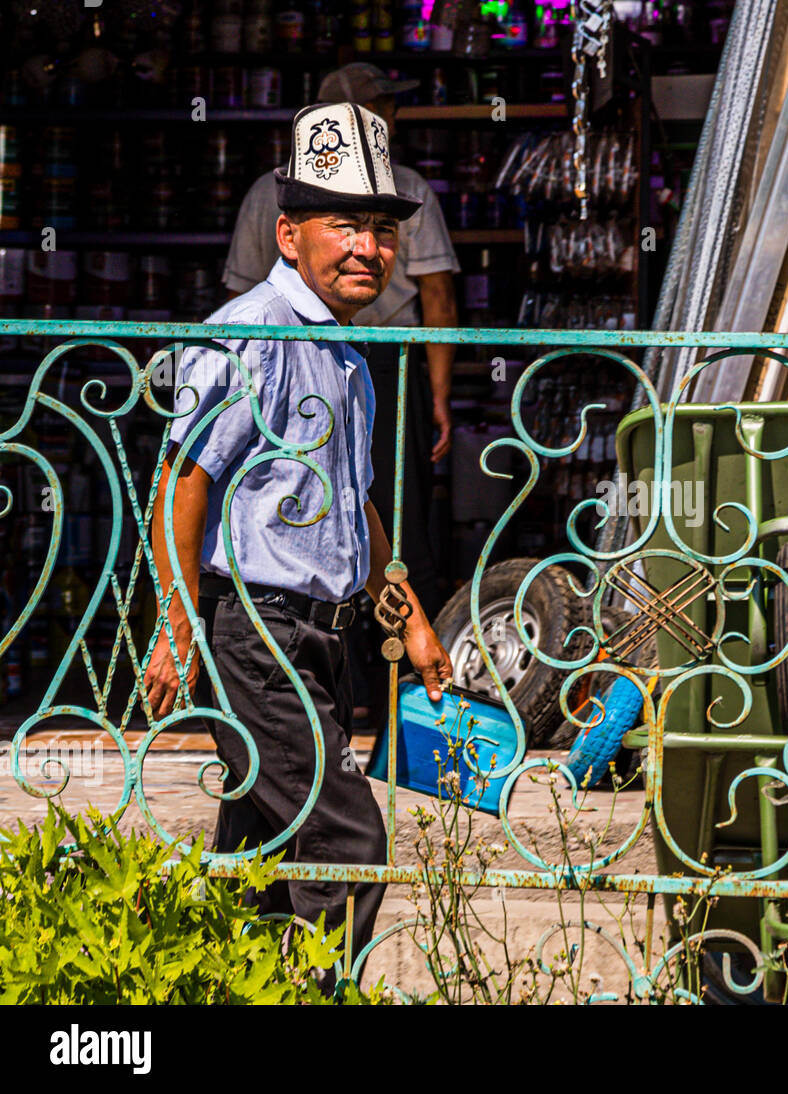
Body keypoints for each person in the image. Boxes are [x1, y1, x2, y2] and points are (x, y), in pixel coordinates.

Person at [144, 102, 453, 965]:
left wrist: (409, 616)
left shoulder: (347, 354)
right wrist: (178, 624)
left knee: (263, 856)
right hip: (258, 633)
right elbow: (183, 478)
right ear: (289, 235)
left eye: (383, 230)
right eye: (345, 225)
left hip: (322, 637)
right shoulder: (254, 333)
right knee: (349, 847)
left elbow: (356, 505)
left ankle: (215, 979)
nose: (369, 248)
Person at [222, 62, 457, 642]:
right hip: (345, 351)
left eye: (380, 230)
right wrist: (440, 394)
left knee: (363, 504)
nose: (366, 245)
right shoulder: (254, 311)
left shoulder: (270, 191)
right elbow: (439, 296)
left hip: (373, 358)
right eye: (386, 107)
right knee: (319, 506)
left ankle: (387, 678)